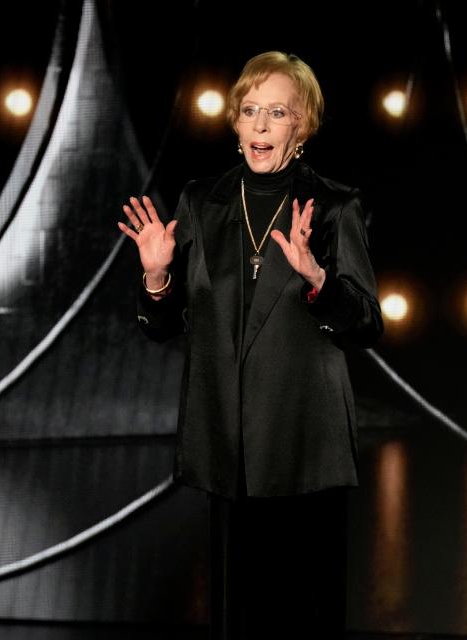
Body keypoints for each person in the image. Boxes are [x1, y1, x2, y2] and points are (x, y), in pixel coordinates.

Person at [118, 51, 382, 638]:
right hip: (227, 444)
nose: (261, 125)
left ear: (303, 124)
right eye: (250, 111)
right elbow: (160, 326)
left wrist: (319, 281)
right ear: (235, 123)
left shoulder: (336, 206)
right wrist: (157, 278)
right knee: (239, 616)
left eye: (278, 112)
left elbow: (367, 324)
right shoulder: (200, 201)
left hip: (305, 444)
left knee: (305, 615)